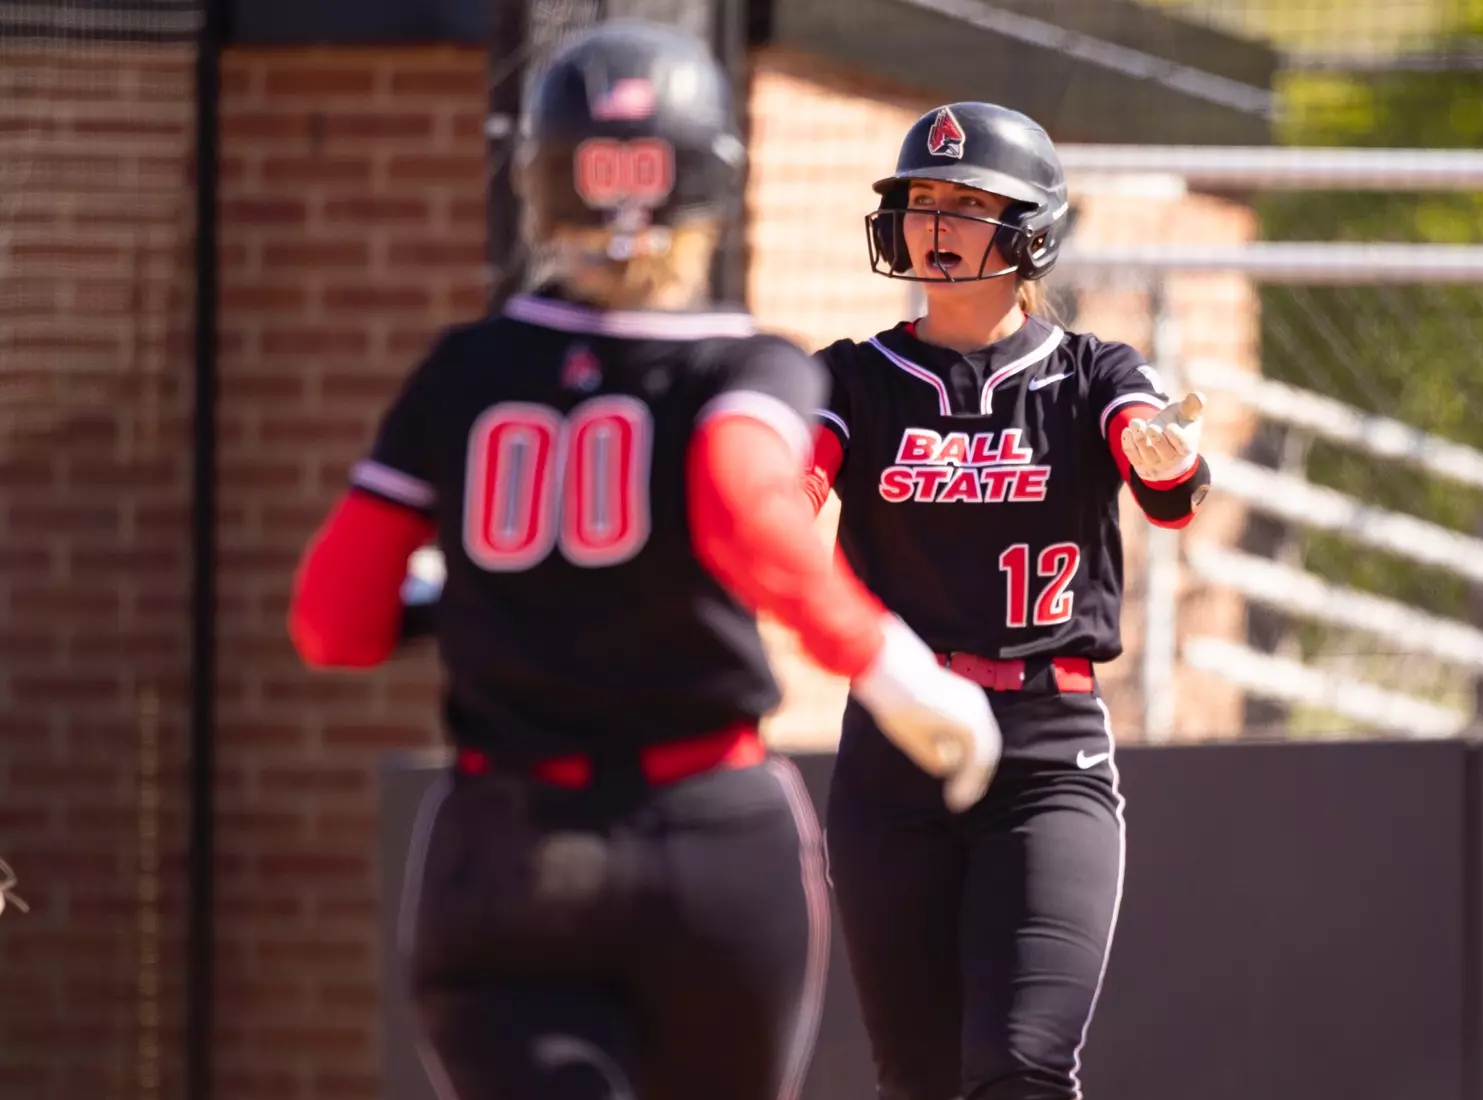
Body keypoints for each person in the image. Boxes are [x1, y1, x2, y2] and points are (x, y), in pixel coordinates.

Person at [287, 26, 1000, 1100]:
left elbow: (332, 622)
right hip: (709, 840)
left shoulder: (466, 369)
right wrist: (890, 662)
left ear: (540, 181)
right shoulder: (747, 362)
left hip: (507, 845)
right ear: (711, 181)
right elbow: (739, 503)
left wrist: (461, 596)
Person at [801, 101, 1213, 1100]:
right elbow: (781, 495)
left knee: (1022, 1067)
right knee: (920, 1078)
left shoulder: (1089, 371)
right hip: (896, 743)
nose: (936, 225)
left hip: (1046, 747)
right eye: (921, 202)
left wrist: (1168, 450)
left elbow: (1166, 479)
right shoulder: (851, 378)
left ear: (1031, 230)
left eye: (968, 203)